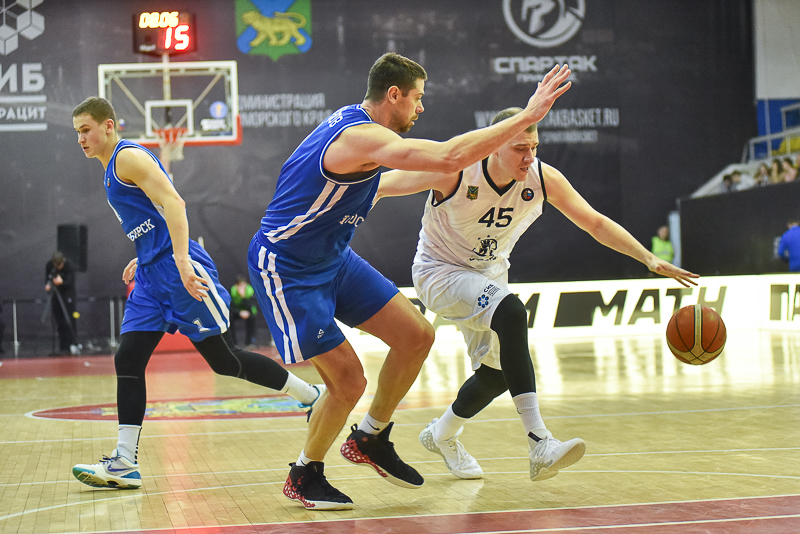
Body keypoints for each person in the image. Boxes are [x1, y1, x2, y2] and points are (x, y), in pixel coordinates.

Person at [247, 54, 573, 509]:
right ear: (393, 94)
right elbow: (449, 156)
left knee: (417, 335)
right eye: (417, 97)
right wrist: (527, 116)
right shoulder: (360, 135)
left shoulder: (361, 130)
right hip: (287, 267)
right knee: (348, 381)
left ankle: (370, 436)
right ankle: (305, 473)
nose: (421, 107)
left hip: (334, 258)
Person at [375, 107, 699, 482]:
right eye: (519, 148)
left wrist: (647, 258)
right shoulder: (456, 170)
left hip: (489, 274)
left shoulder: (542, 178)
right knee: (512, 312)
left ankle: (442, 434)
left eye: (534, 147)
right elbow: (380, 186)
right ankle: (539, 442)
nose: (529, 157)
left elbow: (594, 222)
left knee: (498, 374)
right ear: (493, 144)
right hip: (440, 272)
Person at [69, 97, 325, 490]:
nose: (81, 138)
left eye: (86, 129)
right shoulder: (110, 169)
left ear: (108, 125)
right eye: (77, 132)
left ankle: (309, 394)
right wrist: (144, 255)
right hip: (152, 275)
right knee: (128, 357)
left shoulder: (127, 157)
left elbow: (174, 202)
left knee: (223, 360)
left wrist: (181, 261)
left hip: (178, 272)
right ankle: (124, 462)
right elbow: (154, 217)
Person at [44, 251, 79, 354]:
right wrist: (48, 285)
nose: (58, 267)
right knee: (59, 320)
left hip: (67, 295)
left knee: (68, 319)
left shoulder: (69, 266)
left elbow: (70, 282)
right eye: (56, 265)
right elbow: (47, 278)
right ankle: (62, 345)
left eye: (60, 265)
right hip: (56, 295)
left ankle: (72, 343)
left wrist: (62, 282)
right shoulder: (49, 265)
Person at [229, 275, 261, 347]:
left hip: (248, 311)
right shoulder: (232, 291)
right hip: (237, 311)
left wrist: (243, 297)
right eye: (240, 285)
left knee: (252, 318)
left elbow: (252, 306)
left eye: (244, 285)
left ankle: (250, 342)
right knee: (229, 318)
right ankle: (233, 343)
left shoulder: (250, 291)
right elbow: (231, 307)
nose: (242, 288)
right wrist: (239, 312)